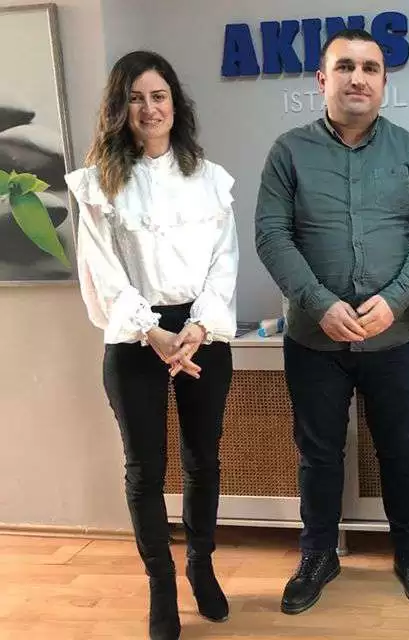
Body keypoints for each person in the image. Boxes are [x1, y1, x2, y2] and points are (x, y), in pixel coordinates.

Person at [255, 28, 409, 614]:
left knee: (400, 448)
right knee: (318, 453)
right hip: (314, 339)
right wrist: (320, 303)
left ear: (384, 82)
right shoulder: (289, 151)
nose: (357, 78)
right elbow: (272, 235)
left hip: (395, 335)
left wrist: (395, 300)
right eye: (345, 67)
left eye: (370, 68)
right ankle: (318, 554)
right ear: (322, 79)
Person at [64, 51, 238, 640]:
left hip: (200, 332)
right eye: (135, 98)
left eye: (158, 96)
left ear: (175, 104)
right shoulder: (98, 184)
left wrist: (200, 327)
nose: (149, 108)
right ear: (119, 108)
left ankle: (201, 567)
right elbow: (104, 271)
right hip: (136, 334)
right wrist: (153, 331)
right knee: (144, 468)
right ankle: (161, 586)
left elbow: (224, 261)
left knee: (203, 460)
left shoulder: (209, 178)